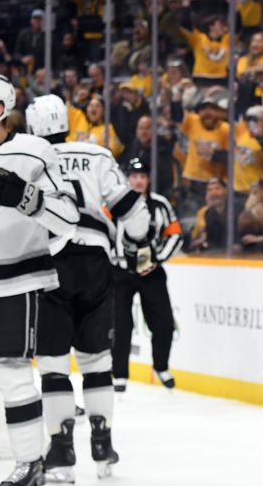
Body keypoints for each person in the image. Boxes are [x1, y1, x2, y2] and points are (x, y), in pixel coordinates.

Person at [25, 94, 153, 482]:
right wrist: (138, 242)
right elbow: (131, 209)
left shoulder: (31, 157)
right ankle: (103, 444)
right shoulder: (95, 155)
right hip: (97, 263)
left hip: (51, 262)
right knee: (97, 361)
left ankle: (62, 451)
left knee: (53, 366)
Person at [0, 74, 79, 486]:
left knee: (12, 373)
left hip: (14, 283)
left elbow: (70, 218)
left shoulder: (35, 153)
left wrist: (25, 198)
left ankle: (30, 464)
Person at [112, 158, 183, 393]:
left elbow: (175, 234)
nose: (138, 180)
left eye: (142, 176)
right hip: (120, 271)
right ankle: (119, 374)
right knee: (120, 325)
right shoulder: (113, 203)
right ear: (127, 178)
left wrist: (158, 257)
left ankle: (161, 366)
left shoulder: (160, 204)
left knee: (163, 323)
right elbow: (100, 230)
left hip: (150, 271)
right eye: (133, 176)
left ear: (148, 179)